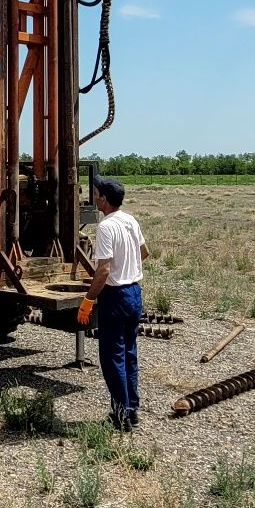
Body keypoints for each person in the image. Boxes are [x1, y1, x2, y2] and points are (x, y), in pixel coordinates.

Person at [76, 176, 149, 431]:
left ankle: (121, 415)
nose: (95, 199)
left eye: (97, 195)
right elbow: (144, 253)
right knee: (129, 353)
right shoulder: (130, 220)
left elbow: (104, 269)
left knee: (112, 357)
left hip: (115, 297)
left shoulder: (106, 227)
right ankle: (132, 409)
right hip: (134, 294)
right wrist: (129, 268)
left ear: (104, 200)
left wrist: (88, 300)